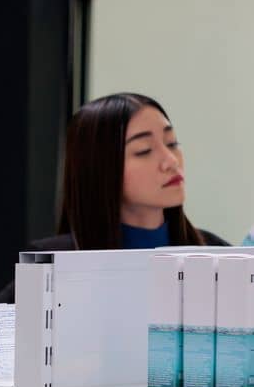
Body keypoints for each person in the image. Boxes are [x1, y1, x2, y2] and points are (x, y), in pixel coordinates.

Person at [18, 91, 226, 266]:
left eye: (172, 143)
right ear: (100, 169)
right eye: (144, 151)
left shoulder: (220, 255)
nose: (171, 161)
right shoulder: (50, 263)